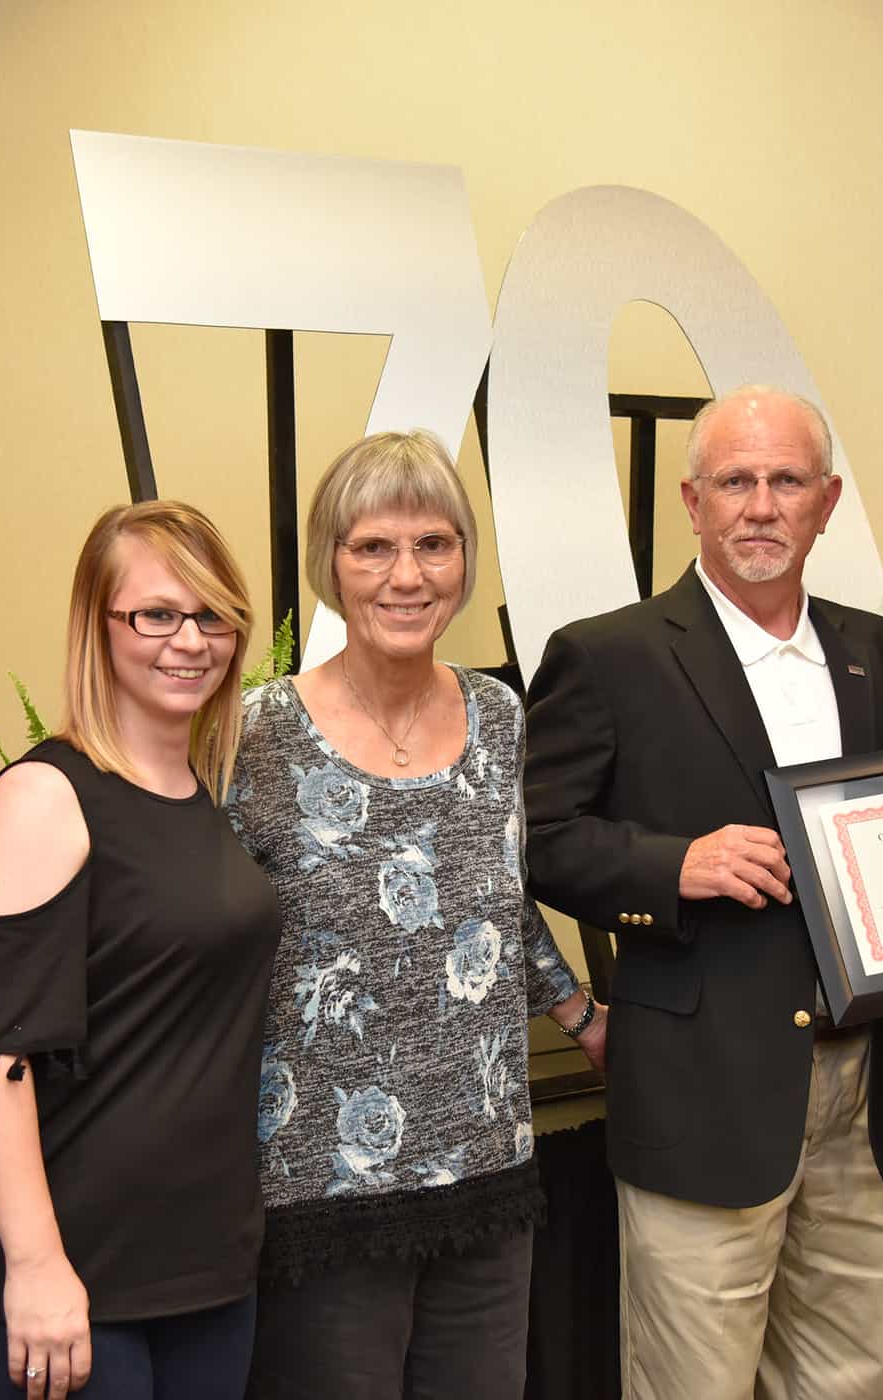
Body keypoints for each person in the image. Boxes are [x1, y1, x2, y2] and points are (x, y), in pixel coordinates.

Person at [522, 387, 883, 1400]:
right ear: (691, 500)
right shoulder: (608, 652)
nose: (760, 504)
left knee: (859, 1376)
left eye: (786, 480)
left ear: (826, 501)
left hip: (863, 1089)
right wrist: (673, 865)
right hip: (700, 1094)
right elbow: (533, 838)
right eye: (736, 481)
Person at [225, 430, 601, 1399]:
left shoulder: (501, 717)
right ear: (331, 564)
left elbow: (498, 907)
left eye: (434, 543)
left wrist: (580, 1015)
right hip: (321, 1181)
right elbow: (206, 929)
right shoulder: (258, 730)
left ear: (465, 560)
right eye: (373, 547)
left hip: (486, 1157)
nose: (407, 574)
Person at [0, 499, 280, 1400]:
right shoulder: (47, 796)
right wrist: (37, 1264)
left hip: (197, 1271)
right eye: (155, 614)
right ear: (97, 624)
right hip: (68, 1289)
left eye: (210, 615)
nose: (187, 640)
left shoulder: (198, 797)